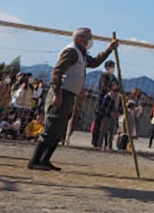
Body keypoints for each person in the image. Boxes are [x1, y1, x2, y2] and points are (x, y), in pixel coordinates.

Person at [28, 27, 117, 170]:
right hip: (61, 93)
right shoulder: (71, 51)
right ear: (80, 39)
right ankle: (34, 160)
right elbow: (57, 71)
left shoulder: (81, 54)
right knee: (51, 127)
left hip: (70, 94)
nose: (91, 40)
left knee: (59, 129)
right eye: (89, 37)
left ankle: (45, 159)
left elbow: (94, 62)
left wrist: (109, 49)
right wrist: (57, 93)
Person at [91, 60, 118, 148]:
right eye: (111, 66)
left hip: (111, 103)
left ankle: (107, 143)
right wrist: (111, 88)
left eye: (113, 66)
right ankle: (95, 142)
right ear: (106, 67)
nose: (113, 68)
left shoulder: (114, 78)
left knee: (108, 125)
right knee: (99, 123)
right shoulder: (103, 76)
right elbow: (103, 88)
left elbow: (117, 88)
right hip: (102, 102)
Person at [96, 84, 121, 150]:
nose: (116, 93)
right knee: (103, 131)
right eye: (114, 91)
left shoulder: (119, 98)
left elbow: (120, 107)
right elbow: (103, 108)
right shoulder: (107, 97)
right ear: (111, 90)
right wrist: (110, 113)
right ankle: (99, 144)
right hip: (107, 116)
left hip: (114, 116)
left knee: (111, 132)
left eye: (117, 91)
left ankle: (110, 146)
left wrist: (118, 113)